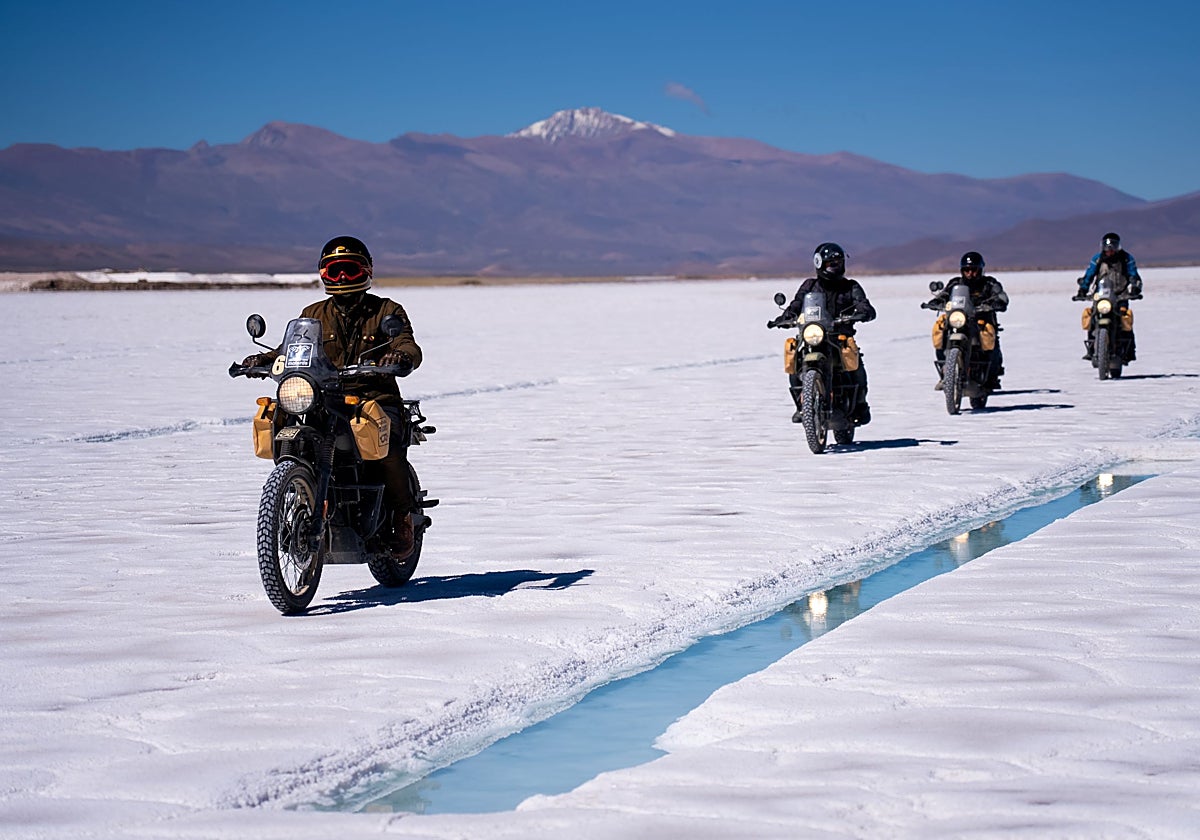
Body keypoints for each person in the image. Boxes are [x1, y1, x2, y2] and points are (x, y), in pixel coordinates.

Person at [242, 236, 423, 554]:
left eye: (350, 270)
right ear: (323, 273)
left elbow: (407, 344)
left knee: (388, 446)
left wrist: (400, 356)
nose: (342, 277)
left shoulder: (386, 310)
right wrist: (263, 360)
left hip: (373, 397)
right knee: (279, 419)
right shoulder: (313, 312)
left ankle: (402, 516)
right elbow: (291, 349)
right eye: (335, 270)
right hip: (322, 397)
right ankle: (298, 490)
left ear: (366, 271)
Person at [768, 242, 876, 424]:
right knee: (794, 359)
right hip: (813, 335)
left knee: (854, 362)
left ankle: (860, 404)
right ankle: (802, 405)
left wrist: (864, 312)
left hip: (839, 337)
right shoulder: (810, 286)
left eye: (838, 263)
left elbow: (863, 303)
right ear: (820, 264)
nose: (835, 267)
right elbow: (797, 303)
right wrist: (785, 317)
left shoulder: (850, 286)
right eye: (831, 264)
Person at [927, 251, 1008, 390]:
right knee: (940, 328)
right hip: (959, 318)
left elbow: (1001, 296)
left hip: (981, 319)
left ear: (980, 270)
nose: (970, 273)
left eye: (973, 270)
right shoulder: (956, 283)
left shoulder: (989, 283)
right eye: (967, 270)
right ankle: (945, 372)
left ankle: (991, 374)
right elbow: (945, 294)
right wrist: (936, 302)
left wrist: (997, 303)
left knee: (988, 334)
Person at [1075, 232, 1142, 361]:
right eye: (1107, 247)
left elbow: (1133, 274)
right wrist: (1083, 289)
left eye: (1113, 247)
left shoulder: (1126, 259)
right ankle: (1092, 348)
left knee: (1125, 320)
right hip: (1101, 296)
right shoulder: (1098, 259)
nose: (1110, 250)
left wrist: (1135, 288)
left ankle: (1129, 350)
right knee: (1093, 317)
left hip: (1120, 296)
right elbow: (1089, 274)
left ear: (1118, 246)